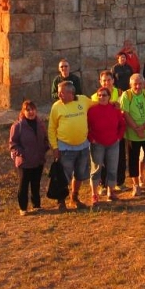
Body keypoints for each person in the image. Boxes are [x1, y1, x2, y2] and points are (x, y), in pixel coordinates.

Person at [48, 81, 94, 210]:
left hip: (83, 146)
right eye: (58, 92)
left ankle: (74, 198)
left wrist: (114, 102)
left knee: (79, 174)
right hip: (65, 148)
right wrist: (55, 147)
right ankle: (61, 200)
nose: (59, 95)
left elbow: (97, 104)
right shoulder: (56, 107)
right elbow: (51, 128)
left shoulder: (83, 101)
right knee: (64, 175)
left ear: (71, 93)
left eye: (62, 92)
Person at [120, 73, 145, 195]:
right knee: (133, 160)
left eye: (140, 84)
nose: (138, 86)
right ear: (130, 85)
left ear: (144, 84)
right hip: (133, 134)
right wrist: (136, 129)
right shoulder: (126, 95)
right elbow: (125, 113)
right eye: (135, 84)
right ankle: (136, 185)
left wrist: (143, 127)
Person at [8, 100, 49, 216]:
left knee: (36, 183)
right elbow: (13, 144)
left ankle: (36, 205)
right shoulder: (18, 126)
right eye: (28, 110)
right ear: (23, 111)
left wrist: (44, 149)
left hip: (38, 160)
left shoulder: (40, 124)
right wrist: (22, 153)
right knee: (24, 184)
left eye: (33, 109)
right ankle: (23, 208)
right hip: (24, 161)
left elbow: (45, 138)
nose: (31, 112)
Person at [87, 88, 126, 203]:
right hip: (97, 143)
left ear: (109, 97)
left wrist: (119, 137)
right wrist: (91, 139)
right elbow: (86, 126)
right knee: (96, 169)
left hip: (113, 143)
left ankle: (111, 191)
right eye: (99, 95)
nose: (101, 97)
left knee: (112, 168)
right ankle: (94, 194)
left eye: (104, 95)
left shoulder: (115, 109)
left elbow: (122, 125)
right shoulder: (92, 110)